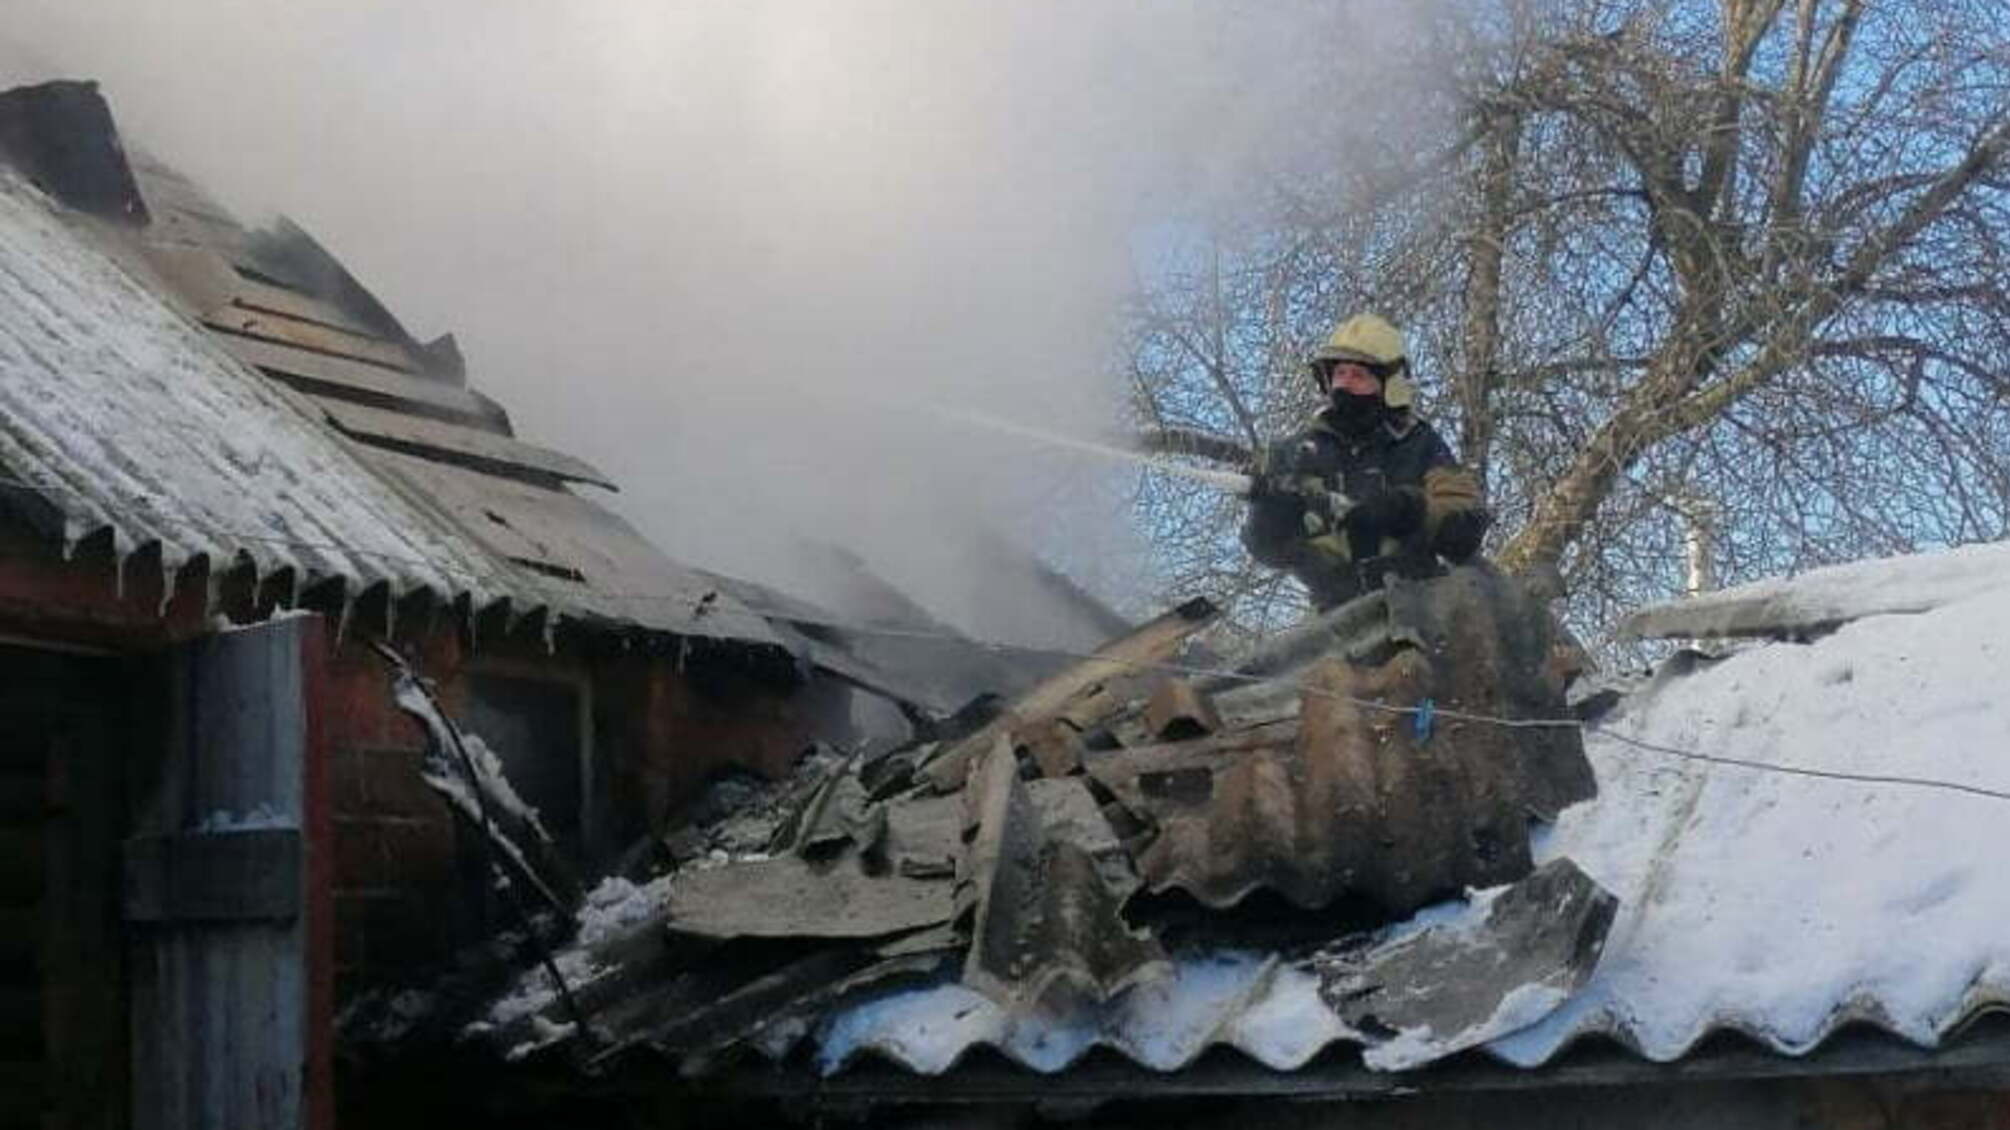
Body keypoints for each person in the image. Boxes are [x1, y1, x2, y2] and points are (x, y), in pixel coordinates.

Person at [1242, 313, 1489, 609]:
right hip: (1333, 615)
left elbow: (1465, 524)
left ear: (1388, 386)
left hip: (1421, 606)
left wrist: (1409, 508)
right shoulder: (1298, 453)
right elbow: (1266, 548)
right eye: (1340, 374)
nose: (1345, 385)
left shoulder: (1418, 443)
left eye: (1358, 376)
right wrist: (1269, 512)